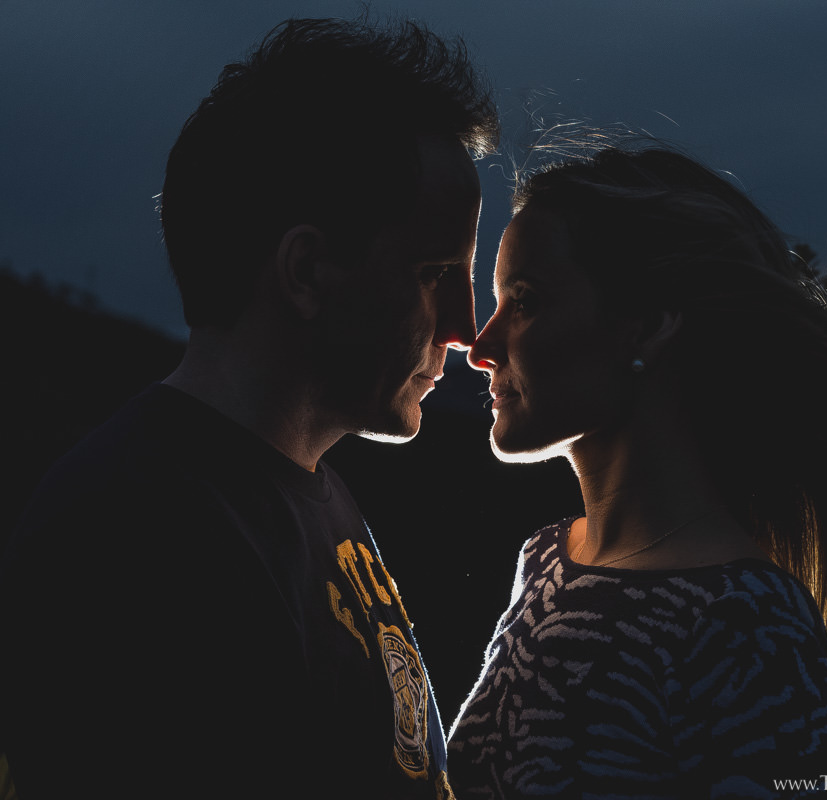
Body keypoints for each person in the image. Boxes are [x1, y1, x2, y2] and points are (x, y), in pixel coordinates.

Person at [0, 17, 496, 800]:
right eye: (436, 273)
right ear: (308, 272)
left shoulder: (304, 492)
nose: (466, 329)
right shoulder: (135, 532)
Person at [446, 147, 827, 798]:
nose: (481, 346)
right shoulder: (547, 564)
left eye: (524, 302)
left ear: (646, 326)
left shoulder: (750, 626)